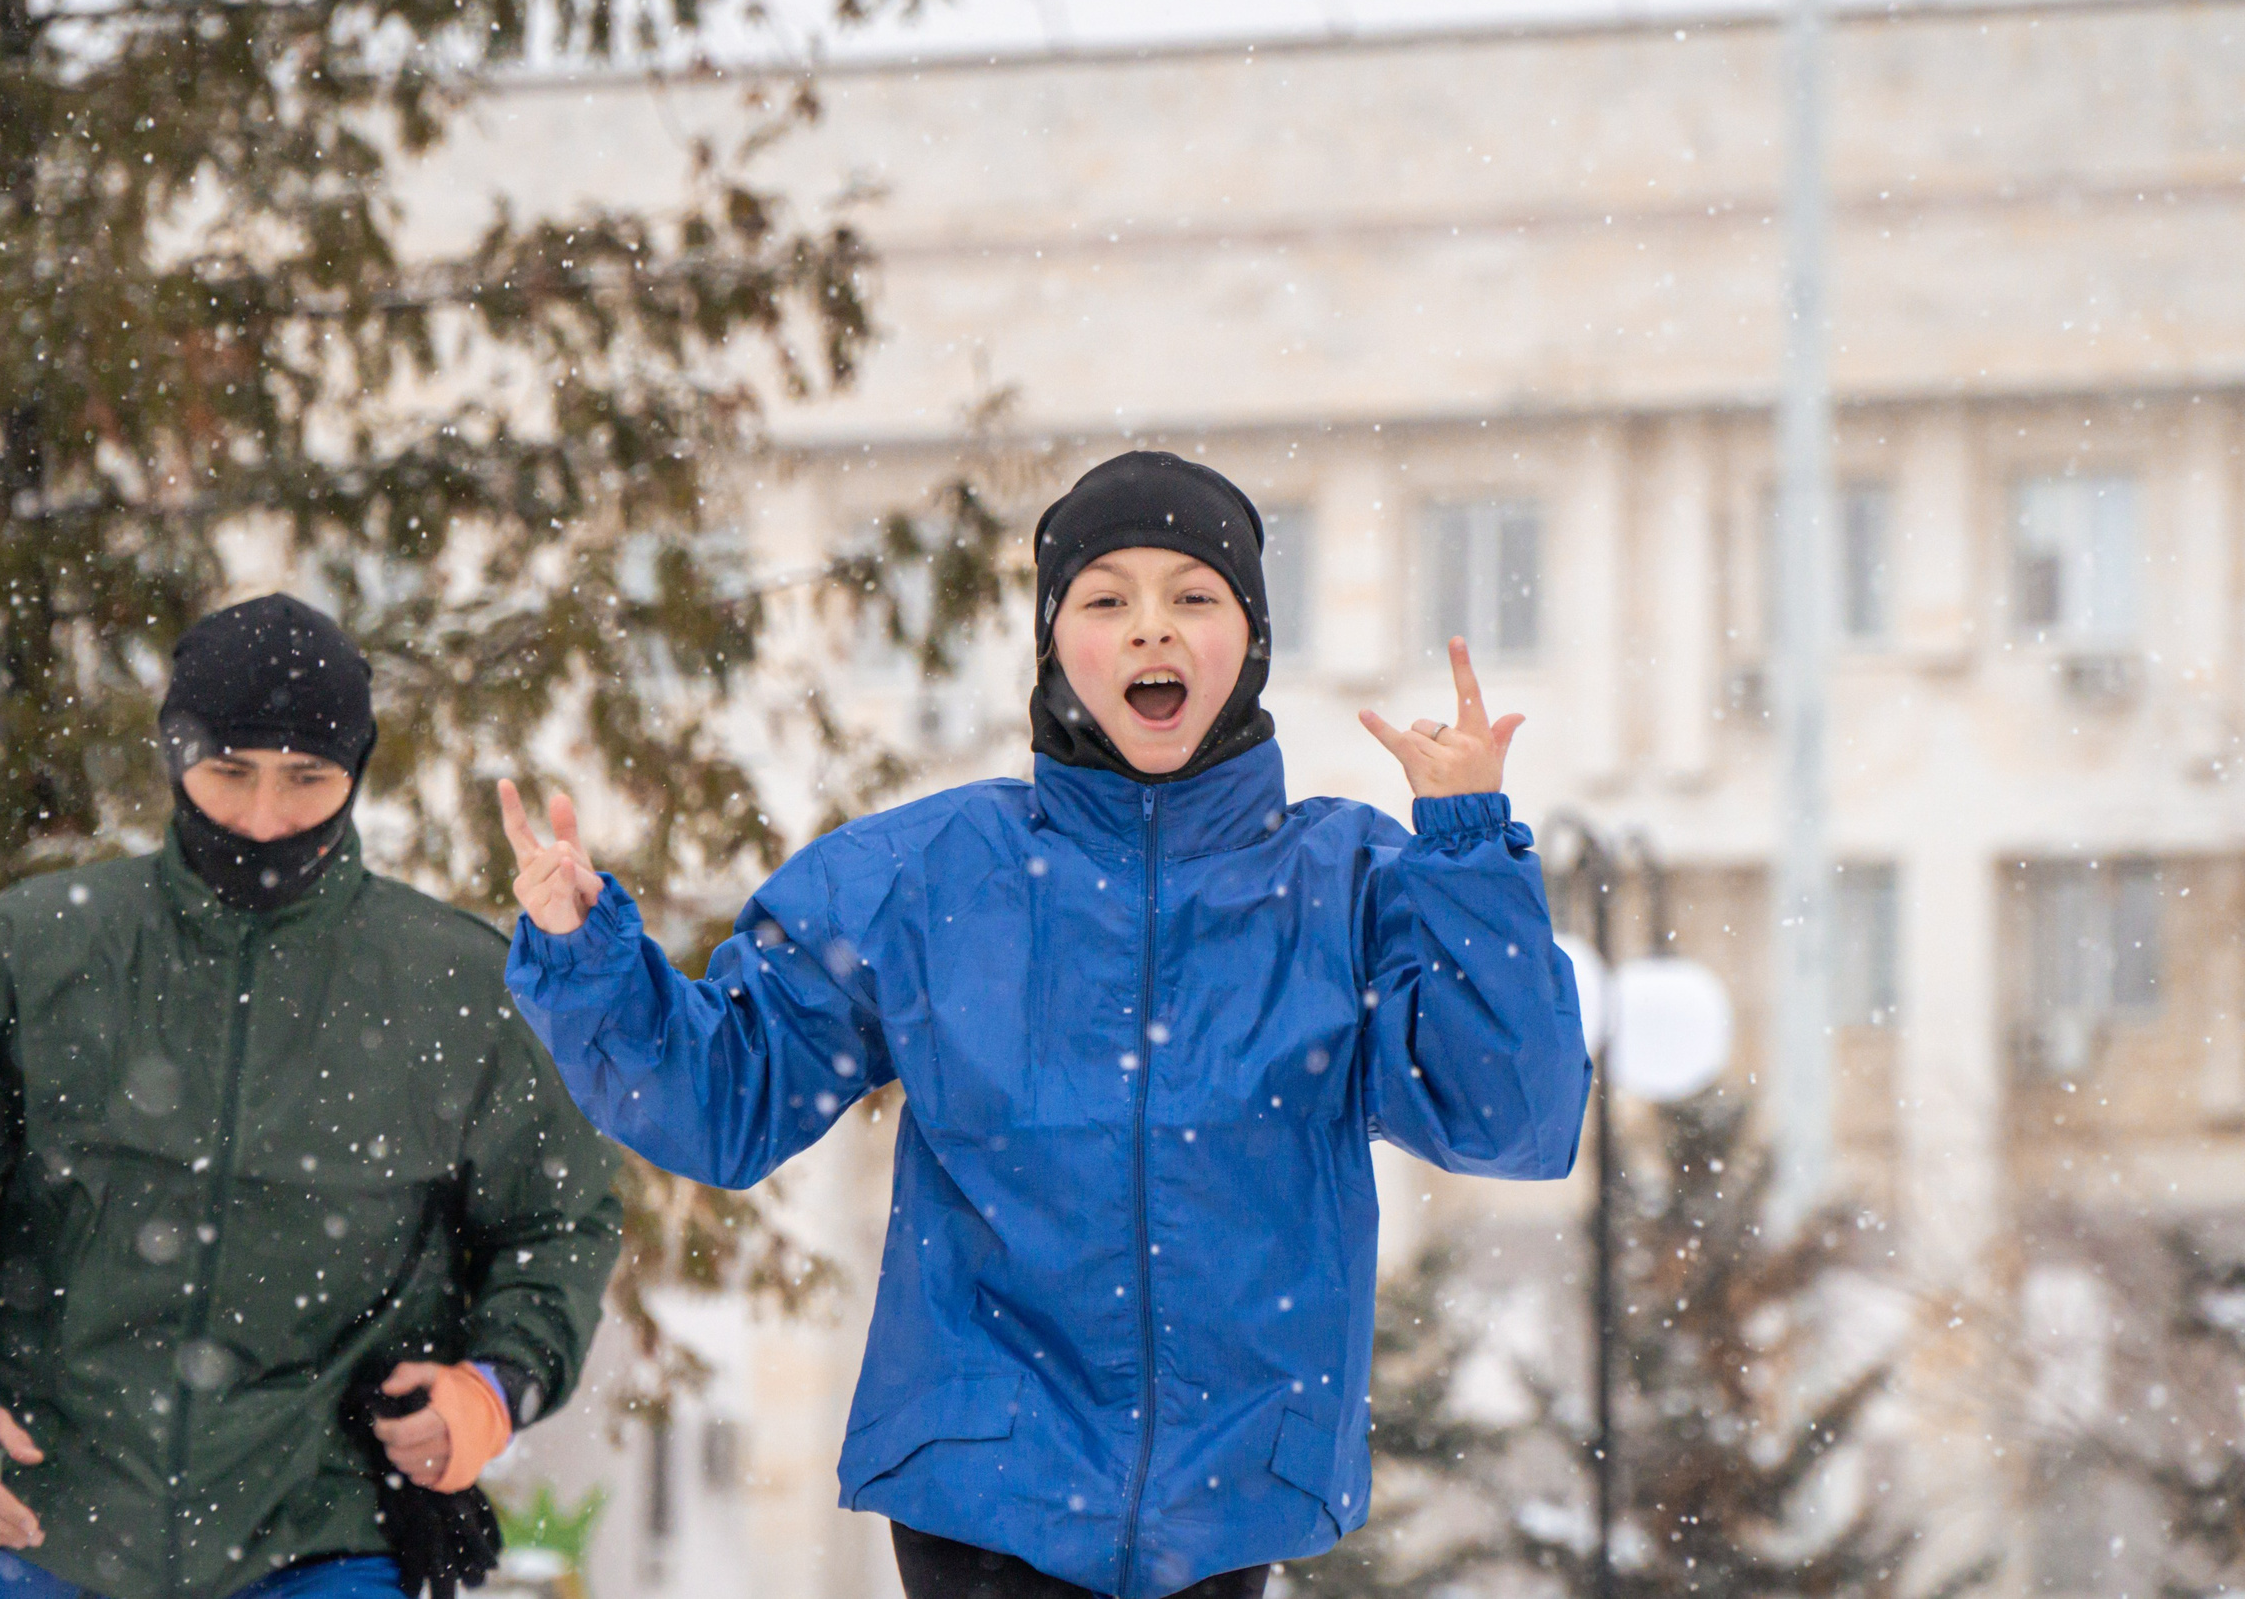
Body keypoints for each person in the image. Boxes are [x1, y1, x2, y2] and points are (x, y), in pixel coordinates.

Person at [498, 451, 1591, 1599]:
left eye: (1193, 596)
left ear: (1251, 642)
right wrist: (588, 961)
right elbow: (720, 1100)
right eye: (1106, 599)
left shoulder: (1347, 884)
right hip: (985, 1479)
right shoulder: (926, 876)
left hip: (1231, 1487)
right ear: (1054, 642)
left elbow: (1508, 1118)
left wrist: (1465, 846)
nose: (1149, 631)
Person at [0, 595, 624, 1599]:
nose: (265, 818)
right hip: (62, 1530)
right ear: (172, 754)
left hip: (332, 1538)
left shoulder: (453, 983)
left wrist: (492, 1387)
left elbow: (559, 1222)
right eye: (229, 772)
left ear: (355, 773)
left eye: (308, 778)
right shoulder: (35, 951)